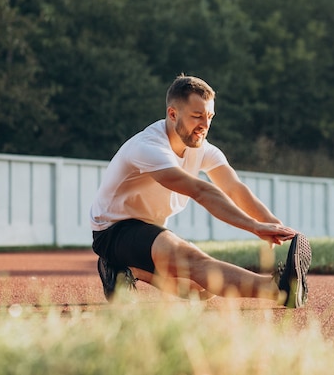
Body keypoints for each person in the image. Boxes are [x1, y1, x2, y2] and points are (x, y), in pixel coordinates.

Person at [90, 74, 311, 308]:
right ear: (173, 114)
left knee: (204, 290)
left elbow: (234, 188)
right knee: (194, 261)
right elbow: (200, 191)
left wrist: (272, 224)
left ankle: (123, 270)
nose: (204, 126)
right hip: (113, 230)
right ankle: (279, 289)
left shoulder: (203, 148)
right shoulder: (148, 148)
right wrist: (254, 227)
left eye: (209, 117)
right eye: (197, 116)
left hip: (150, 230)